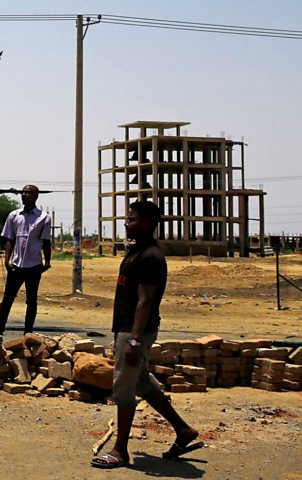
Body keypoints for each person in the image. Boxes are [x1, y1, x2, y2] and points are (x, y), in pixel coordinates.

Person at [91, 200, 200, 469]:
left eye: (132, 219)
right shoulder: (137, 252)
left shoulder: (151, 257)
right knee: (141, 382)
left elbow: (145, 301)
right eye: (128, 219)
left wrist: (134, 340)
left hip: (134, 330)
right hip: (128, 328)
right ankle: (183, 430)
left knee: (123, 388)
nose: (127, 223)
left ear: (148, 223)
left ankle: (120, 450)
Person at [0, 185, 52, 335]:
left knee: (31, 301)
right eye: (23, 193)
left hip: (34, 265)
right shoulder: (14, 215)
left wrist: (47, 262)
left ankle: (28, 333)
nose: (24, 195)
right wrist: (7, 260)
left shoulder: (44, 217)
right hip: (16, 265)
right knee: (7, 299)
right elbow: (10, 239)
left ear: (36, 196)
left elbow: (46, 241)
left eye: (28, 193)